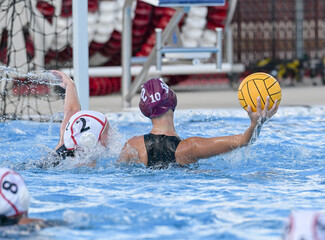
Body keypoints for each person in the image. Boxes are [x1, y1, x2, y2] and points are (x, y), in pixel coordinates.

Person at [119, 77, 279, 169]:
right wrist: (256, 124)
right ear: (172, 99)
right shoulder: (190, 148)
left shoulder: (132, 146)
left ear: (144, 110)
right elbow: (244, 141)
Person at [52, 70, 109, 161]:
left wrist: (70, 85)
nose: (110, 135)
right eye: (107, 131)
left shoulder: (61, 149)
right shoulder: (94, 166)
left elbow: (70, 111)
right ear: (98, 138)